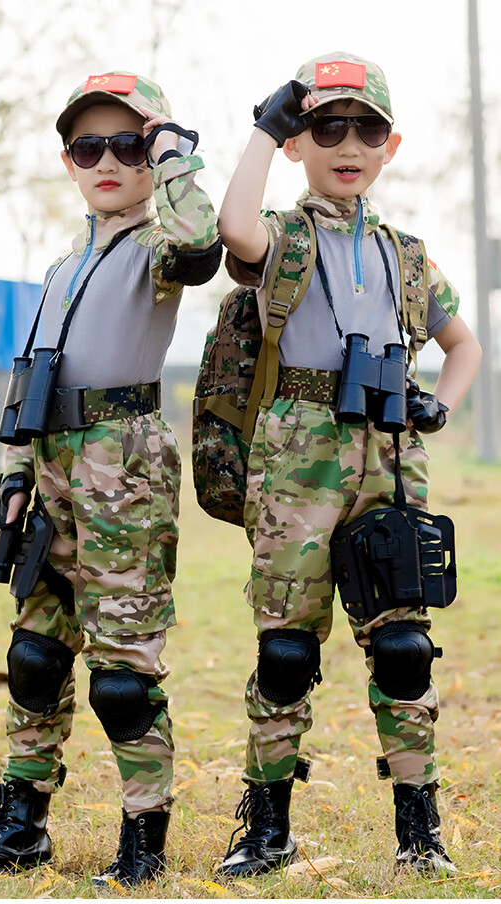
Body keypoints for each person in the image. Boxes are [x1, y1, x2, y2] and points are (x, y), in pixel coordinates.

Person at [0, 71, 220, 885]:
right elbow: (29, 374)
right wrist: (15, 471)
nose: (107, 160)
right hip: (52, 464)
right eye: (87, 146)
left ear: (152, 151)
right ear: (67, 159)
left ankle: (144, 839)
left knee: (123, 676)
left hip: (123, 466)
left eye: (127, 144)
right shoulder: (64, 263)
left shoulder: (159, 245)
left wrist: (175, 155)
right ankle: (20, 823)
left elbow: (205, 244)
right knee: (35, 653)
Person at [215, 51, 481, 878]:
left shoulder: (406, 254)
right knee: (286, 652)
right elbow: (232, 227)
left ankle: (420, 834)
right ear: (301, 142)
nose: (348, 142)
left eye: (366, 127)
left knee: (403, 646)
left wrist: (443, 400)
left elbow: (463, 343)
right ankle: (264, 830)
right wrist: (265, 128)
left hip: (391, 457)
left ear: (390, 145)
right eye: (326, 125)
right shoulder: (286, 239)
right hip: (298, 454)